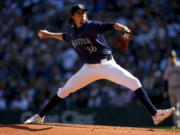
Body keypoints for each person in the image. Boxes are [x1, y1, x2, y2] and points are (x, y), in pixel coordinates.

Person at [25, 4, 175, 125]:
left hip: (107, 65)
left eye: (84, 12)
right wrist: (49, 34)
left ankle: (155, 115)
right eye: (79, 13)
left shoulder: (92, 25)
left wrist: (123, 28)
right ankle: (40, 116)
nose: (83, 14)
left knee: (134, 82)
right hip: (88, 69)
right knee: (64, 91)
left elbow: (112, 25)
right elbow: (64, 36)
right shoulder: (72, 32)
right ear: (73, 17)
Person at [163, 50, 180, 128]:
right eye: (170, 57)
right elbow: (166, 80)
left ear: (175, 57)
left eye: (172, 57)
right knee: (173, 108)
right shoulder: (168, 68)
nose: (171, 58)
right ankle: (176, 124)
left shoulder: (179, 65)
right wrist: (165, 91)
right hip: (171, 89)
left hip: (178, 88)